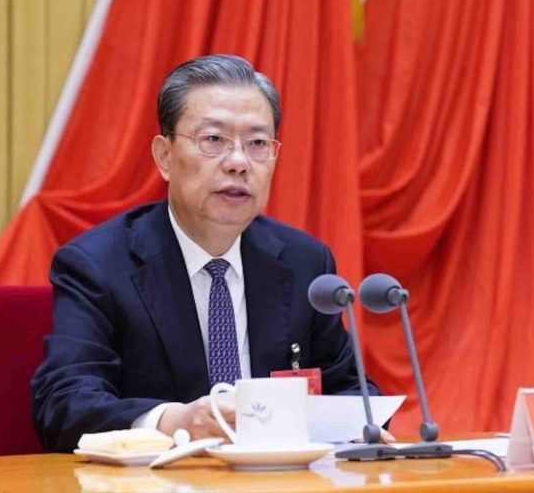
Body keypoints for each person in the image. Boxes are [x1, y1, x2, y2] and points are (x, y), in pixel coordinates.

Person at [31, 54, 381, 452]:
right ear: (164, 157)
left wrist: (360, 425)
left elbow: (350, 389)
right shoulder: (98, 265)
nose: (238, 163)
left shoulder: (304, 263)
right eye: (214, 140)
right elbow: (64, 403)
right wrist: (172, 422)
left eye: (257, 144)